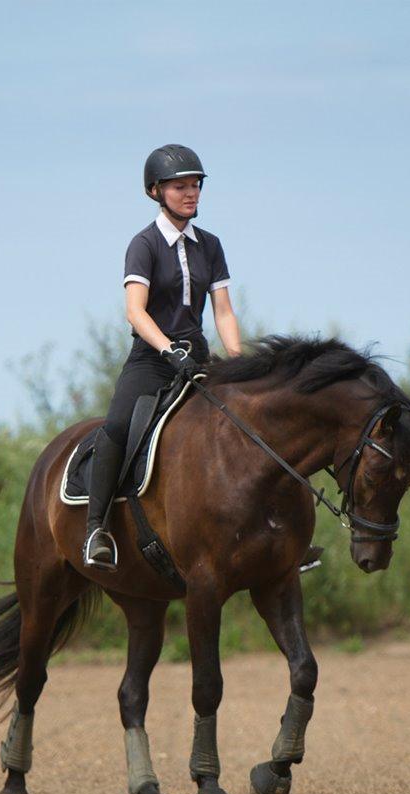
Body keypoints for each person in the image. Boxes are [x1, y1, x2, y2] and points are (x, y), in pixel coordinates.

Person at [82, 144, 242, 570]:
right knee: (117, 425)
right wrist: (169, 349)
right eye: (179, 186)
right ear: (155, 191)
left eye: (196, 185)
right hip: (152, 359)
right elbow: (135, 310)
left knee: (248, 423)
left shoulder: (211, 245)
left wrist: (241, 361)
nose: (191, 193)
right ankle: (96, 528)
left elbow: (223, 311)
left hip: (199, 358)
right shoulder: (144, 244)